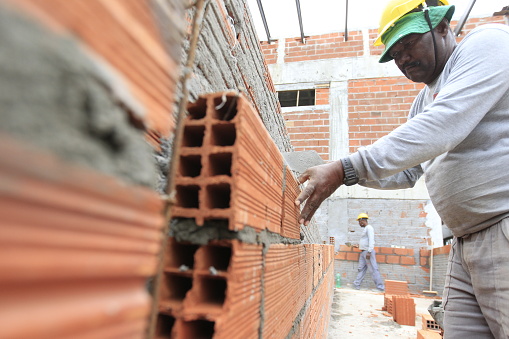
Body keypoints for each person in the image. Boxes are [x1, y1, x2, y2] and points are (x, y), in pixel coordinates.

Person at [294, 0, 509, 338]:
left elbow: (445, 123)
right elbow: (409, 172)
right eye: (394, 54)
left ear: (441, 26)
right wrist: (344, 177)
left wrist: (346, 167)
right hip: (464, 244)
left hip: (502, 231)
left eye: (408, 44)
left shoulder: (488, 43)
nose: (402, 59)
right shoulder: (422, 101)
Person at [352, 213, 385, 291]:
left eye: (359, 222)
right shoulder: (366, 228)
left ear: (362, 220)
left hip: (367, 252)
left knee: (373, 269)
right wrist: (359, 245)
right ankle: (356, 284)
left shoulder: (369, 228)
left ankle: (380, 287)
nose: (359, 224)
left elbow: (371, 240)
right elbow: (366, 241)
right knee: (361, 269)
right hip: (363, 252)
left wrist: (369, 252)